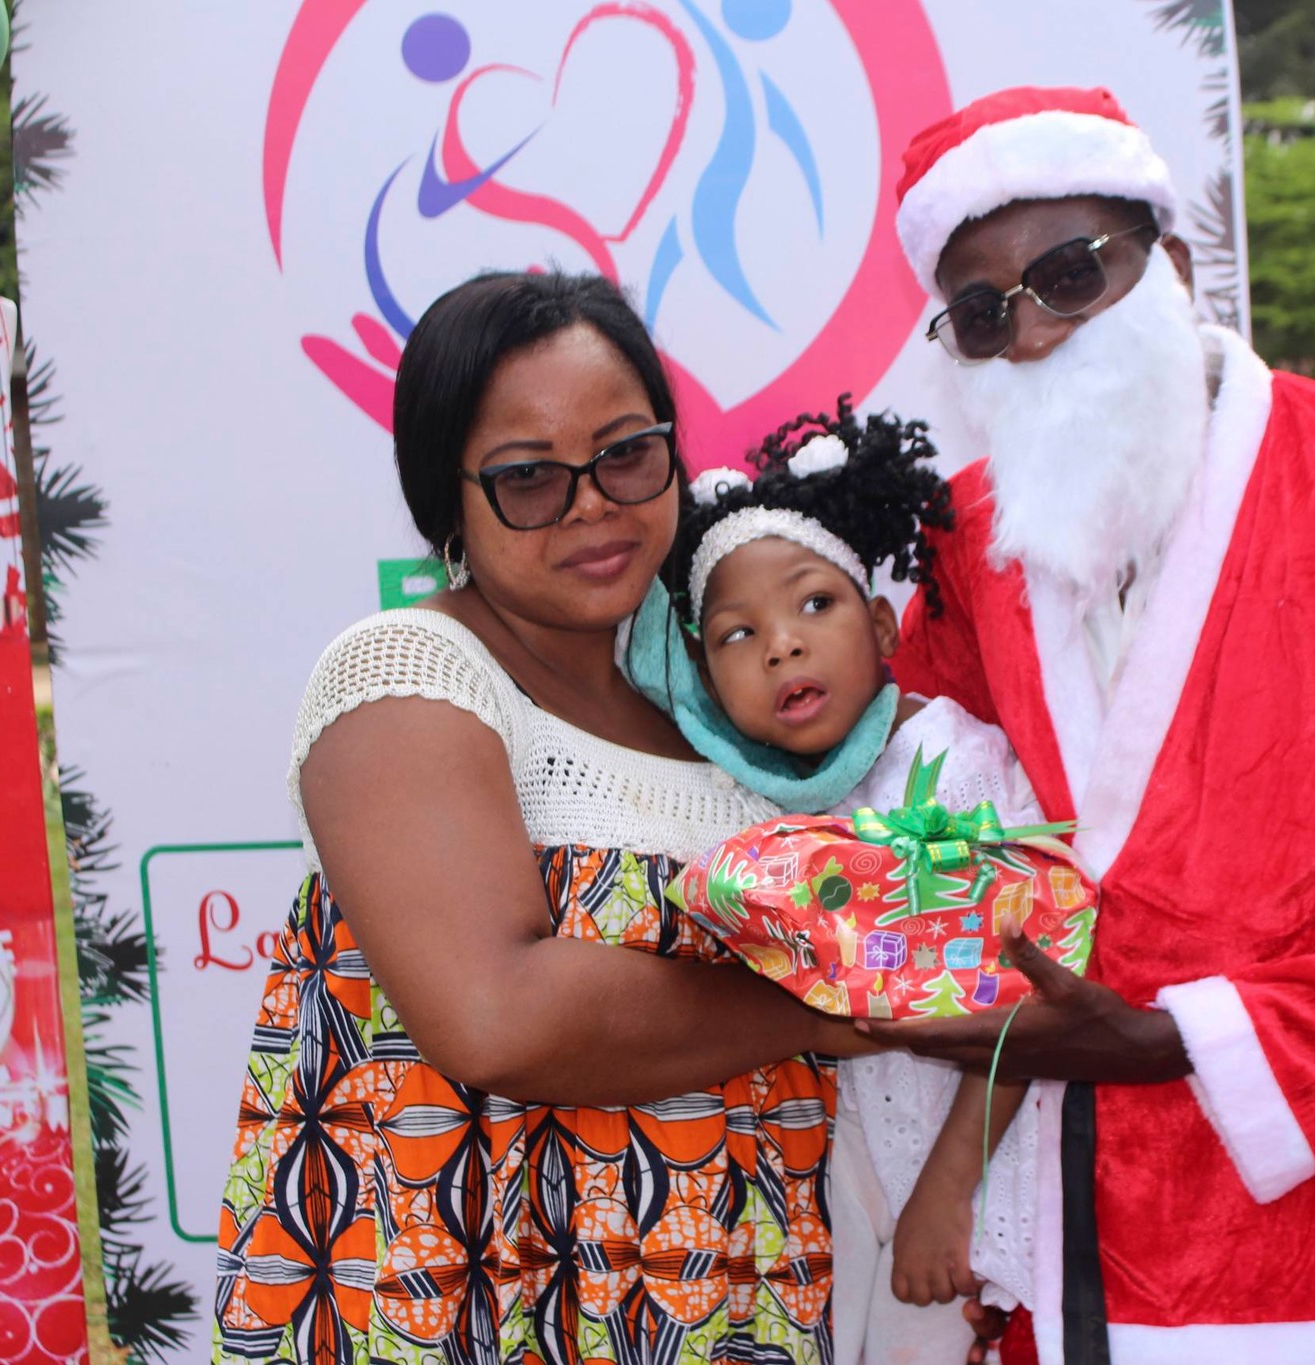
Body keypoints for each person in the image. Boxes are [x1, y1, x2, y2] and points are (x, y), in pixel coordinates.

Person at [868, 86, 1315, 1365]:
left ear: (1174, 267)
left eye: (1068, 274)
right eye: (981, 311)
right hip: (1062, 1247)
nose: (1032, 331)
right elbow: (929, 831)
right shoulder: (967, 541)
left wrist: (1176, 1040)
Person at [212, 272, 866, 1365]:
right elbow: (496, 1014)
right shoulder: (409, 672)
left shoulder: (716, 701)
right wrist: (821, 1006)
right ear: (447, 498)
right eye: (527, 478)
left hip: (724, 1296)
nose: (591, 505)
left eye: (625, 453)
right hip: (481, 1293)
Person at [657, 399, 1044, 1365]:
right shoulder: (755, 803)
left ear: (879, 622)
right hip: (839, 1188)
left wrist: (947, 1190)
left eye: (814, 605)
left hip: (959, 1175)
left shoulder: (952, 767)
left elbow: (1023, 995)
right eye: (736, 634)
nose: (781, 645)